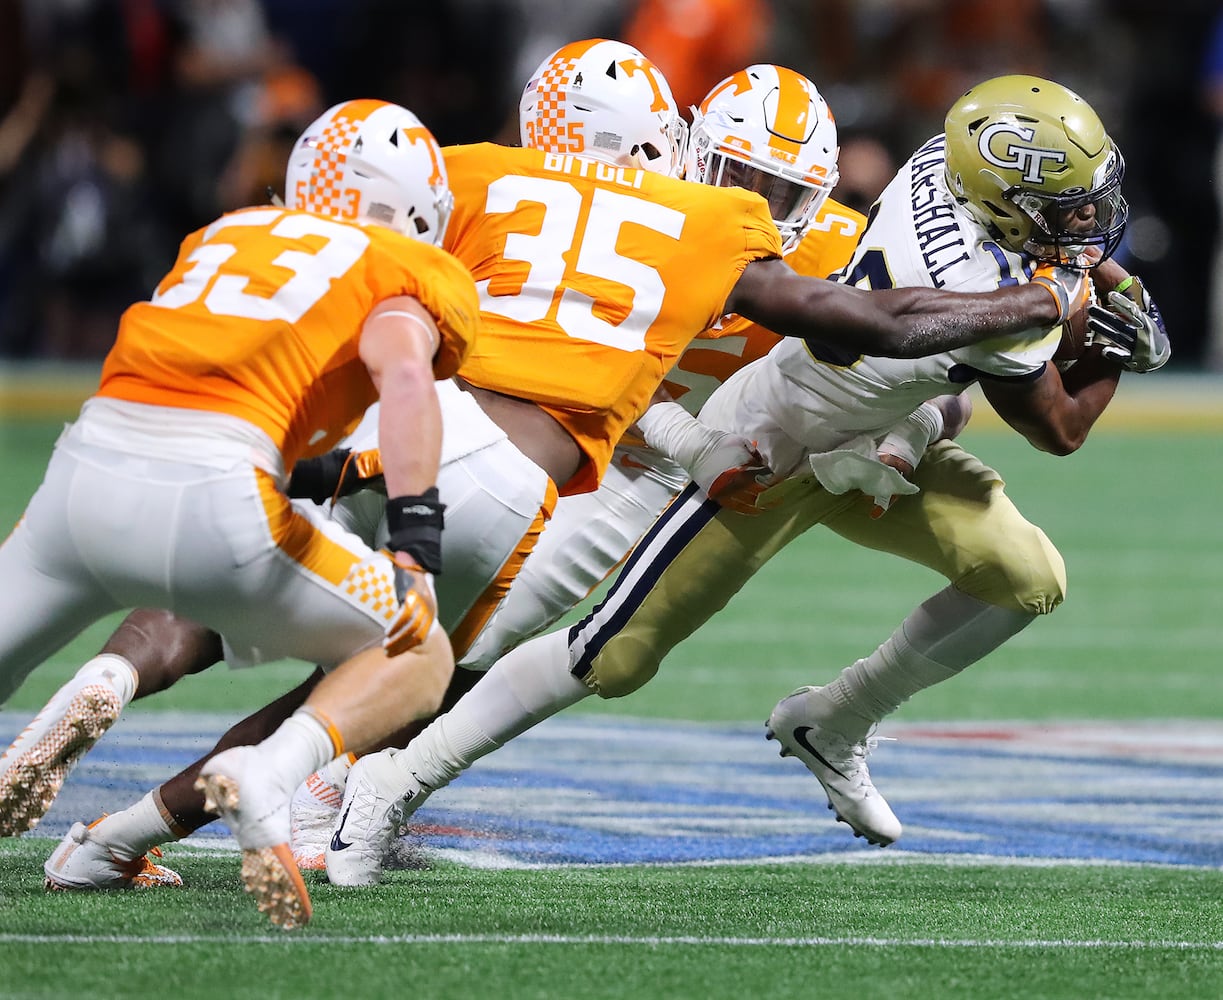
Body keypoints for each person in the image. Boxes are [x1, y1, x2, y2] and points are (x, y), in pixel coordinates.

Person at [24, 50, 1085, 926]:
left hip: (523, 430)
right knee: (420, 660)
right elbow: (890, 332)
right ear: (676, 142)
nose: (756, 201)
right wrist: (684, 436)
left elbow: (924, 364)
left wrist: (908, 427)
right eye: (739, 174)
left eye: (779, 190)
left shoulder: (523, 185)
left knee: (295, 578)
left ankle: (136, 716)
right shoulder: (701, 224)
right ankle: (256, 801)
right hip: (579, 465)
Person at [311, 73, 1170, 883]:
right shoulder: (993, 310)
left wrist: (1097, 284)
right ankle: (395, 780)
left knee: (1026, 577)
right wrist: (1117, 350)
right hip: (767, 448)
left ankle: (835, 719)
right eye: (1066, 207)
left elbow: (1023, 286)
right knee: (611, 655)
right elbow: (1057, 426)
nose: (1087, 221)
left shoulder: (935, 168)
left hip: (874, 444)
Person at [0, 97, 482, 930]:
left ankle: (107, 676)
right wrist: (414, 544)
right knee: (420, 651)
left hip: (80, 478)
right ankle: (269, 774)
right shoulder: (400, 269)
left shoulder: (224, 234)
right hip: (217, 505)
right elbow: (405, 381)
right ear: (410, 208)